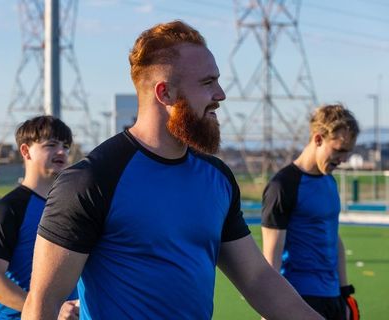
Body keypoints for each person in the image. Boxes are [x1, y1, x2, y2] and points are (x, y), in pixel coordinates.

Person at [22, 20, 323, 320]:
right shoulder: (92, 180)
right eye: (207, 83)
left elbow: (258, 279)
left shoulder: (216, 177)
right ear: (164, 94)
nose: (220, 94)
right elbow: (42, 305)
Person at [261, 104, 360, 319]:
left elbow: (334, 238)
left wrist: (345, 294)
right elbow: (271, 256)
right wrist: (267, 310)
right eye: (339, 150)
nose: (343, 159)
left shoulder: (329, 181)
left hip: (333, 298)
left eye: (347, 152)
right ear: (318, 139)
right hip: (299, 298)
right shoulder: (283, 185)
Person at [0, 116, 79, 319]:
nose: (62, 152)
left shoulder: (72, 205)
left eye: (66, 146)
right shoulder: (9, 209)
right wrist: (47, 311)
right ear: (25, 151)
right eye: (51, 144)